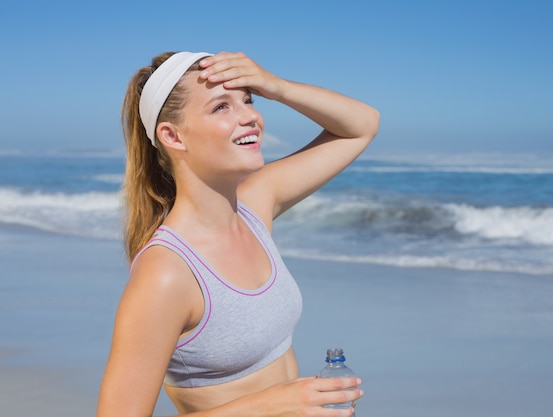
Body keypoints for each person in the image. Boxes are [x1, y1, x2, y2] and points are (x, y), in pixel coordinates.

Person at [97, 50, 379, 417]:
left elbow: (362, 125)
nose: (251, 117)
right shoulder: (167, 274)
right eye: (221, 107)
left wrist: (275, 86)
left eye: (248, 100)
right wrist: (271, 404)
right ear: (173, 136)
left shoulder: (255, 206)